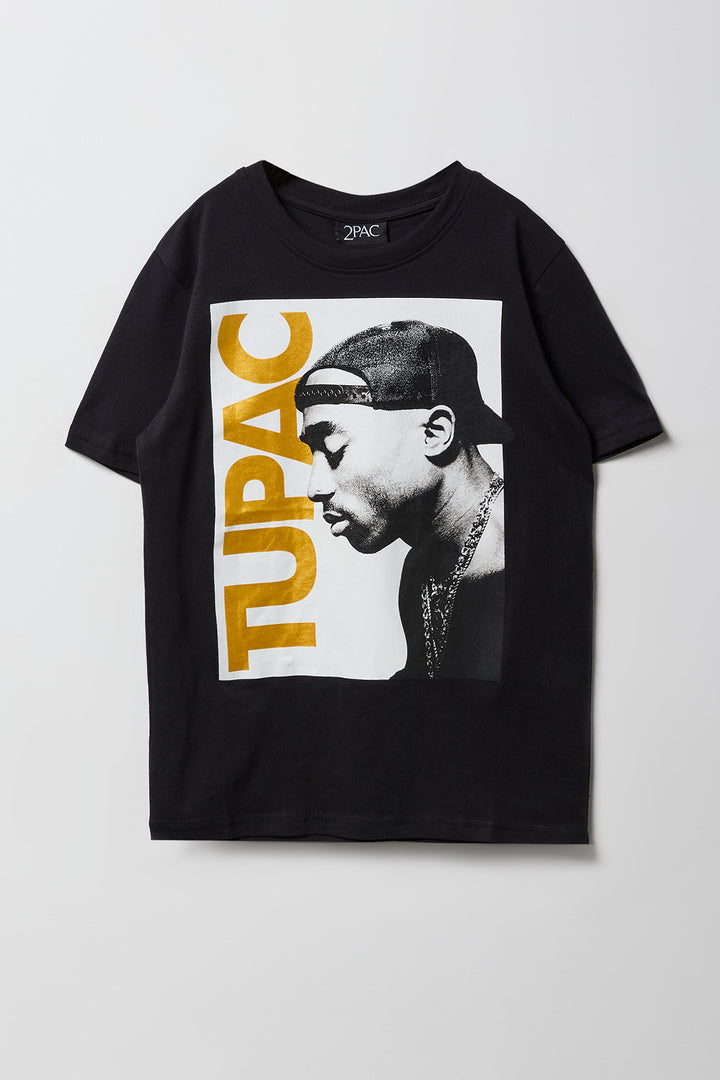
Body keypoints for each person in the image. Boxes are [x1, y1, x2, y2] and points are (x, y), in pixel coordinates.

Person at [294, 319, 515, 680]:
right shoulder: (422, 569)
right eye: (312, 453)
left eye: (334, 449)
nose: (315, 488)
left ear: (434, 433)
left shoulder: (532, 553)